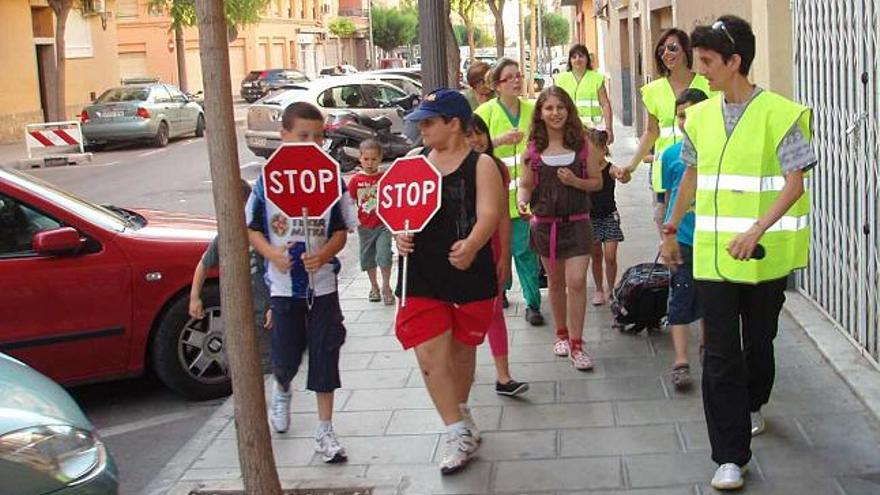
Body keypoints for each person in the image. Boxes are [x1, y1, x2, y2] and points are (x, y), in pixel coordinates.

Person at [661, 16, 815, 490]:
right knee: (720, 352)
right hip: (713, 258)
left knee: (759, 340)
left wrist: (756, 229)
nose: (700, 70)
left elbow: (794, 182)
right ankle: (729, 455)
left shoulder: (780, 113)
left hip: (764, 255)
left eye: (707, 61)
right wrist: (670, 228)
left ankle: (754, 402)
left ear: (734, 61)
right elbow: (690, 175)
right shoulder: (701, 116)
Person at [395, 89, 503, 474]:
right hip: (420, 273)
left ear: (453, 123)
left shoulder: (481, 165)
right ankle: (455, 431)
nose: (421, 128)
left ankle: (460, 410)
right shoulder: (413, 162)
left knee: (461, 352)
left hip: (466, 273)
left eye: (429, 122)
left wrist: (473, 245)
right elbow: (398, 212)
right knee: (428, 356)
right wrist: (399, 236)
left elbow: (489, 213)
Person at [246, 101, 357, 463]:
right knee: (286, 356)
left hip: (322, 287)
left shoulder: (330, 176)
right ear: (284, 136)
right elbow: (253, 229)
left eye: (317, 136)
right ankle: (282, 388)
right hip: (282, 290)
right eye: (302, 136)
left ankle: (325, 430)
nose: (310, 142)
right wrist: (273, 254)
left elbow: (341, 230)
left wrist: (323, 255)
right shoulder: (267, 180)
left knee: (325, 354)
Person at [517, 87, 602, 369]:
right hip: (545, 228)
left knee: (577, 282)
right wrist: (521, 200)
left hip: (578, 225)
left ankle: (578, 344)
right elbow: (526, 185)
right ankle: (561, 334)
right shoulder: (532, 152)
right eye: (549, 108)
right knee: (555, 283)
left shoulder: (583, 145)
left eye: (561, 107)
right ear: (540, 113)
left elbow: (596, 183)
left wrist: (576, 182)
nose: (555, 113)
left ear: (569, 110)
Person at [618, 28, 713, 230]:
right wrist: (631, 166)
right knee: (667, 229)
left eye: (672, 48)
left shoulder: (708, 85)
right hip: (666, 171)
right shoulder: (653, 90)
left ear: (686, 51)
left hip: (700, 167)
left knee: (699, 230)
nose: (666, 54)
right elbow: (652, 132)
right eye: (662, 50)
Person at [474, 59, 545, 326]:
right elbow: (473, 148)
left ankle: (532, 303)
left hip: (527, 198)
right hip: (495, 199)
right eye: (509, 78)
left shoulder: (533, 110)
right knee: (497, 251)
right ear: (497, 84)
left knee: (526, 253)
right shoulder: (485, 112)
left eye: (519, 76)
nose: (516, 81)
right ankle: (500, 290)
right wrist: (500, 140)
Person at [467, 114, 529, 396]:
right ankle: (463, 370)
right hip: (461, 252)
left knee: (493, 312)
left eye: (480, 133)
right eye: (468, 134)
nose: (476, 139)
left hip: (489, 249)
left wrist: (503, 255)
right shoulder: (450, 170)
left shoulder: (497, 169)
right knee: (464, 314)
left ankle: (503, 377)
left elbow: (503, 215)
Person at [189, 179, 271, 370]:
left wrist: (274, 305)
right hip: (233, 314)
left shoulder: (260, 233)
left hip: (261, 312)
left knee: (266, 364)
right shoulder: (224, 236)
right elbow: (203, 264)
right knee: (235, 361)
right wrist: (195, 297)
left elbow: (276, 271)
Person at [660, 88, 709, 390]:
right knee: (680, 297)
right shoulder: (669, 156)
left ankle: (707, 348)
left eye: (691, 114)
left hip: (714, 240)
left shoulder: (719, 152)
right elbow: (668, 199)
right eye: (680, 116)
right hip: (684, 240)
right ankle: (681, 361)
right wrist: (667, 235)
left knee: (711, 299)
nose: (685, 121)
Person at [348, 139, 394, 305]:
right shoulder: (355, 180)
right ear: (360, 158)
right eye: (366, 159)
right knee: (367, 258)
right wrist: (350, 222)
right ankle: (374, 286)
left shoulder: (385, 177)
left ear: (380, 158)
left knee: (384, 255)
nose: (369, 163)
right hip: (364, 226)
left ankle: (386, 286)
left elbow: (393, 200)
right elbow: (349, 202)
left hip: (383, 225)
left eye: (373, 159)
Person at [586, 128, 627, 307]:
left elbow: (622, 175)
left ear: (603, 150)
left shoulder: (610, 169)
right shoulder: (584, 171)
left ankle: (611, 288)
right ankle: (598, 289)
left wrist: (624, 174)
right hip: (590, 218)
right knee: (596, 256)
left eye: (595, 150)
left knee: (610, 256)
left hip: (609, 216)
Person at [553, 44, 615, 143]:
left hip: (593, 130)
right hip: (568, 129)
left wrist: (609, 129)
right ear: (570, 61)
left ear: (587, 59)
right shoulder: (560, 80)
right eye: (574, 57)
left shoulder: (596, 78)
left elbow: (605, 104)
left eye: (581, 56)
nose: (578, 59)